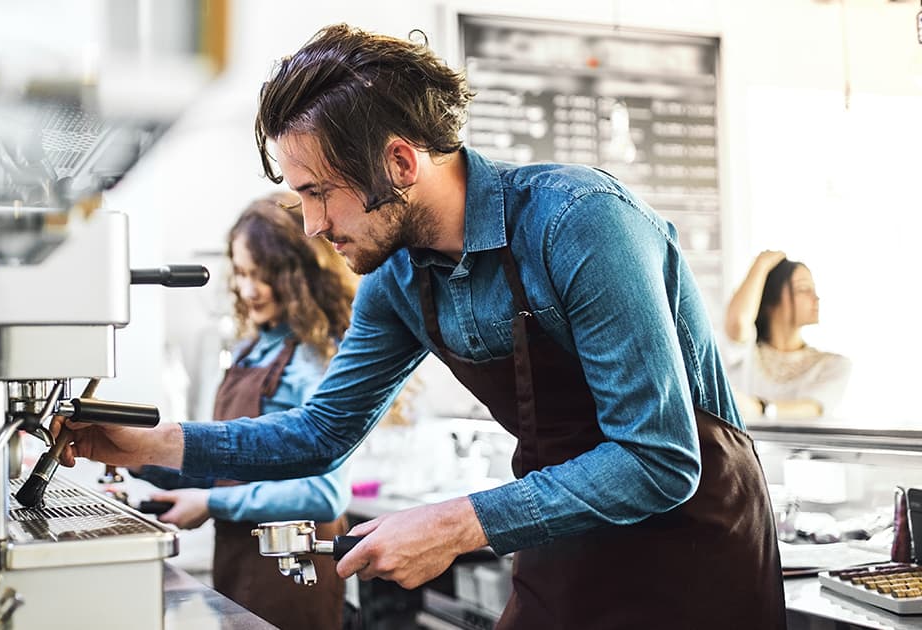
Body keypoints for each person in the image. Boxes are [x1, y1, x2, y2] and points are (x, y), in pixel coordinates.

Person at [57, 24, 785, 629]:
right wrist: (151, 444)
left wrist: (458, 523)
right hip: (564, 541)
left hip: (694, 541)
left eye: (319, 194)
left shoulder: (579, 222)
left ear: (400, 161)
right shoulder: (398, 280)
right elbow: (318, 433)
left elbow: (658, 459)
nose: (310, 226)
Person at [131, 192, 357, 630]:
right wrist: (144, 462)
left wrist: (212, 502)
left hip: (294, 568)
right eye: (241, 273)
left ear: (297, 275)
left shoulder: (314, 357)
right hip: (241, 558)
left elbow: (327, 495)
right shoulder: (253, 346)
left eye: (263, 275)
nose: (248, 289)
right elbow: (240, 462)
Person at [724, 250, 852, 421]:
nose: (816, 298)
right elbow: (738, 321)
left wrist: (760, 408)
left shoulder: (833, 365)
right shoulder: (744, 355)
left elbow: (813, 407)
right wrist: (761, 264)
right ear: (771, 299)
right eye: (803, 289)